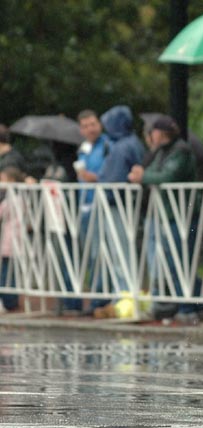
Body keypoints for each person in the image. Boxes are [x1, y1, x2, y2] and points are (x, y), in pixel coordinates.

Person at [128, 115, 202, 324]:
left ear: (160, 133)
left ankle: (189, 307)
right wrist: (145, 175)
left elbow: (166, 177)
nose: (150, 136)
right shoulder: (162, 151)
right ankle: (188, 303)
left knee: (181, 260)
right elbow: (154, 172)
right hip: (168, 213)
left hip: (181, 214)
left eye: (152, 132)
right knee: (171, 261)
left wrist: (143, 177)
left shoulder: (181, 150)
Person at [87, 105, 144, 313]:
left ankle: (125, 294)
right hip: (120, 204)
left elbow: (112, 177)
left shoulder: (122, 146)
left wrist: (100, 183)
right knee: (119, 251)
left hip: (117, 204)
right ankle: (122, 293)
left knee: (120, 251)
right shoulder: (128, 143)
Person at [65, 110, 110, 314]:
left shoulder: (108, 145)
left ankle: (100, 297)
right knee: (89, 256)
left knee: (98, 253)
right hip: (84, 205)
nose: (90, 129)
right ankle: (95, 294)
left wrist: (96, 178)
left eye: (93, 124)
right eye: (85, 126)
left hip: (101, 204)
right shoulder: (83, 149)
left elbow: (109, 173)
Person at [0, 166, 26, 312]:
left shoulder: (12, 199)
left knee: (6, 273)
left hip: (10, 242)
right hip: (16, 241)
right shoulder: (21, 198)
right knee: (12, 273)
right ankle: (11, 301)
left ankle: (8, 301)